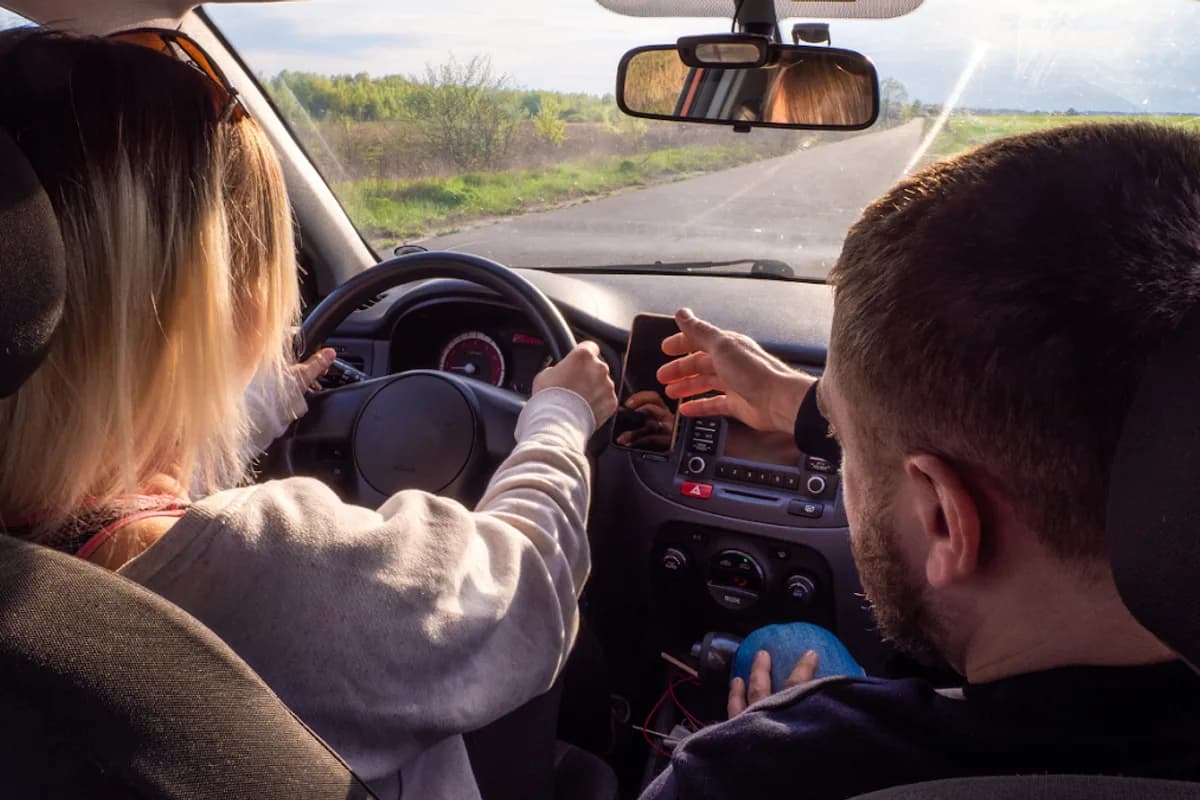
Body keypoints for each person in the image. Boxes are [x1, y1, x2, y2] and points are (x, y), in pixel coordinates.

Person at [0, 29, 616, 800]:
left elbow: (112, 468)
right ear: (194, 304)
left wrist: (270, 399)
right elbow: (525, 590)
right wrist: (559, 416)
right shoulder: (262, 565)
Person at [641, 122, 1200, 799]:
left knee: (787, 642)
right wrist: (807, 405)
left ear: (944, 519)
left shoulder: (755, 772)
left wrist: (773, 741)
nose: (838, 449)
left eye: (842, 438)